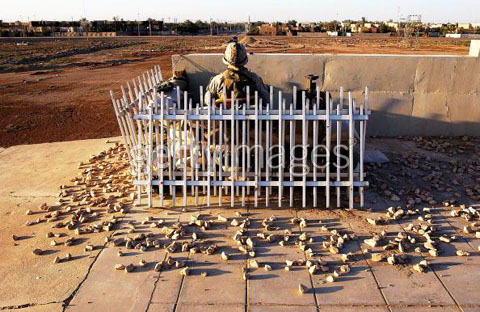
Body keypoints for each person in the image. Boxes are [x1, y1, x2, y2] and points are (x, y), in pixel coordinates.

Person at [205, 37, 269, 107]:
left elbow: (208, 101)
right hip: (250, 116)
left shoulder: (217, 80)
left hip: (224, 116)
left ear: (226, 59)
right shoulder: (254, 78)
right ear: (244, 60)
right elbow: (266, 100)